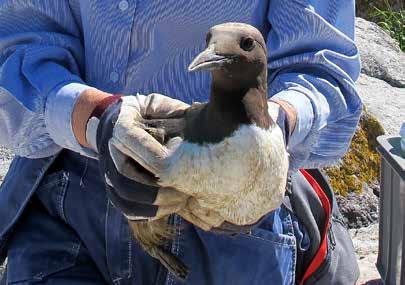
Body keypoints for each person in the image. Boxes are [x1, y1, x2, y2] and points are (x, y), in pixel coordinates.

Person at [0, 1, 362, 284]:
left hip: (228, 215)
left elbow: (322, 68)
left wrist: (266, 133)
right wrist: (98, 118)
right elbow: (18, 47)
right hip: (72, 206)